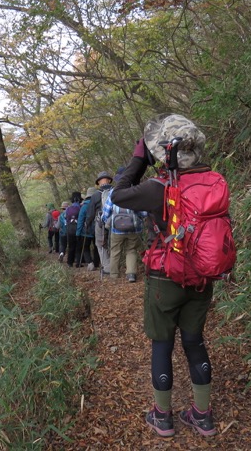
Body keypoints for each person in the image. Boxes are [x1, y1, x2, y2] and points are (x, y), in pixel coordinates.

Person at [111, 114, 219, 438]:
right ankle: (203, 416)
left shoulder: (158, 187)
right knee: (194, 342)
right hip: (202, 275)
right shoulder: (214, 180)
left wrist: (138, 159)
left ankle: (163, 417)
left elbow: (118, 194)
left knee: (162, 344)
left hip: (165, 276)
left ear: (162, 152)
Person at [101, 178, 147, 282]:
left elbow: (106, 212)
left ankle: (114, 275)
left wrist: (106, 221)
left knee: (115, 251)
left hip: (116, 229)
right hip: (133, 229)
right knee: (131, 250)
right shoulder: (135, 191)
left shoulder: (113, 192)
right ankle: (131, 274)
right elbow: (143, 212)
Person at [88, 171, 114, 275]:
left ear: (98, 182)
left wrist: (88, 223)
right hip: (114, 220)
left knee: (100, 244)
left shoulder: (95, 195)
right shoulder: (115, 191)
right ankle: (115, 265)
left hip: (100, 222)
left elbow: (90, 212)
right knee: (114, 243)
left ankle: (107, 267)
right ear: (109, 180)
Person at [76, 187, 97, 270]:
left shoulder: (84, 207)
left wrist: (78, 233)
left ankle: (90, 263)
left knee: (86, 248)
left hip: (85, 231)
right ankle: (97, 263)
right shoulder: (98, 205)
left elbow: (80, 220)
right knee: (96, 247)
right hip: (97, 230)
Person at [64, 192, 82, 267]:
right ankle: (78, 262)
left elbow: (65, 218)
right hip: (78, 229)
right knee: (78, 246)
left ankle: (69, 262)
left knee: (71, 246)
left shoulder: (68, 209)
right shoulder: (80, 208)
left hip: (70, 229)